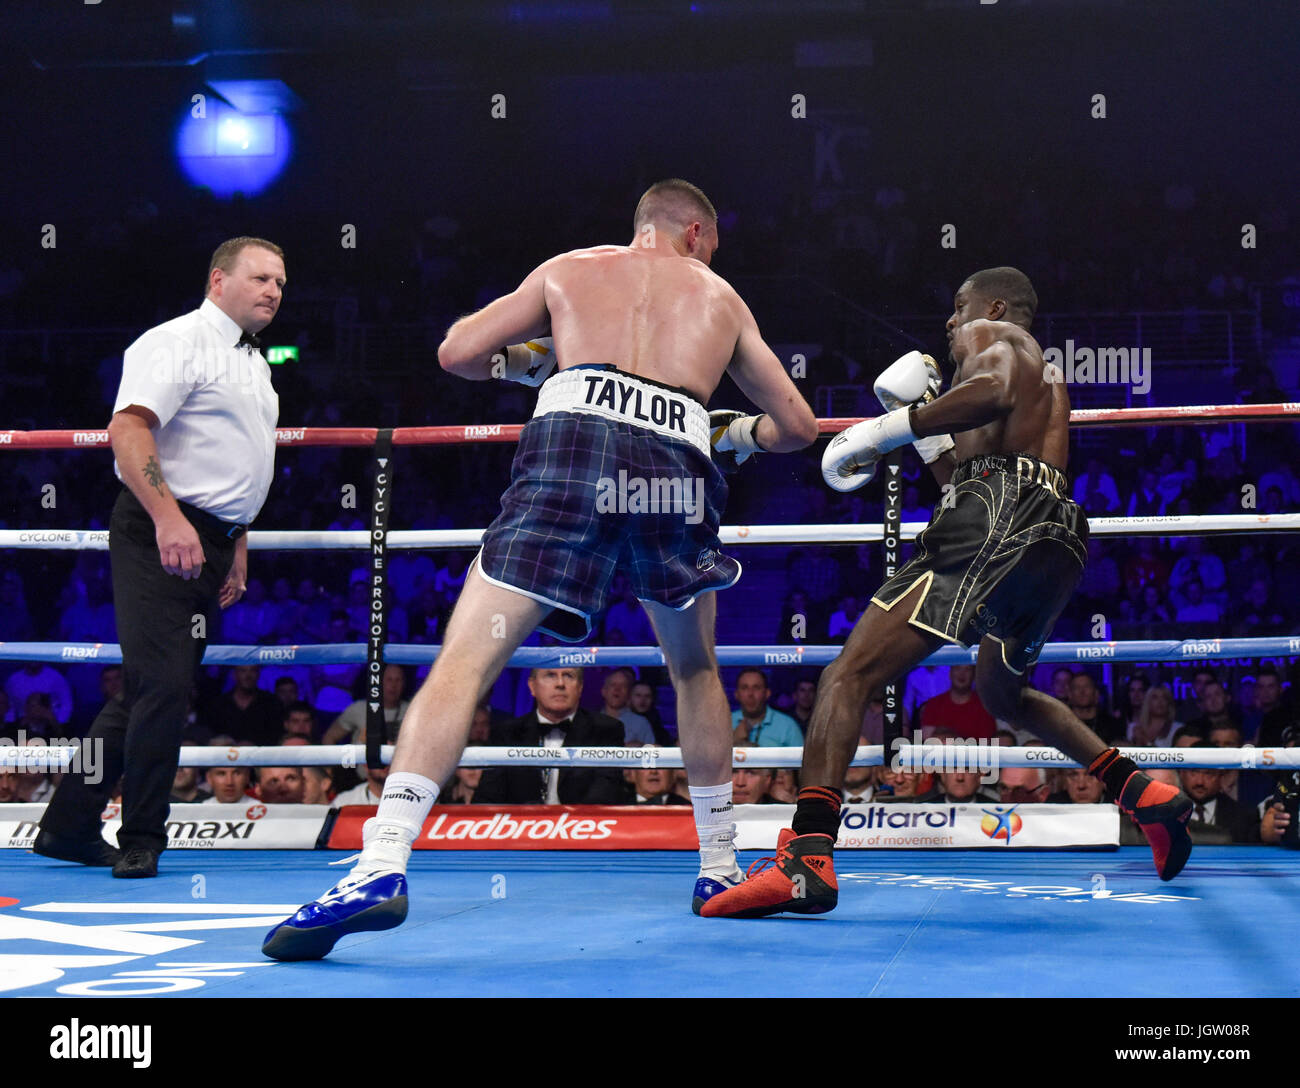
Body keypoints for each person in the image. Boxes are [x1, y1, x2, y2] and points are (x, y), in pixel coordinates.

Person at [265, 179, 817, 959]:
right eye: (717, 238)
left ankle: (382, 864)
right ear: (695, 230)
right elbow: (796, 426)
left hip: (572, 447)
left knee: (466, 658)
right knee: (693, 668)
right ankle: (719, 866)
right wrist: (738, 435)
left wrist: (533, 366)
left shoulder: (569, 268)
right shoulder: (722, 300)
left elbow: (457, 351)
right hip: (678, 467)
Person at [702, 267, 1193, 920]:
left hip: (994, 518)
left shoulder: (1000, 337)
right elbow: (967, 472)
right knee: (1002, 692)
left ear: (993, 306)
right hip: (1053, 533)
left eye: (958, 308)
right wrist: (927, 433)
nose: (951, 323)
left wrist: (890, 428)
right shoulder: (1041, 382)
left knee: (847, 676)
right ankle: (1142, 793)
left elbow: (990, 393)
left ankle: (806, 859)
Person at [36, 236, 284, 879]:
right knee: (166, 689)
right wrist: (169, 517)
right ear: (217, 281)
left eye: (280, 283)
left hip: (212, 539)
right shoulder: (175, 342)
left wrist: (236, 543)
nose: (272, 291)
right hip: (161, 533)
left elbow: (236, 460)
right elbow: (128, 428)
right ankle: (143, 836)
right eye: (259, 278)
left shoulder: (252, 361)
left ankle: (66, 826)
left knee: (150, 689)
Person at [471, 667, 629, 805]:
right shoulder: (507, 732)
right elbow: (487, 796)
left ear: (580, 687)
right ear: (532, 686)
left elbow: (606, 792)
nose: (560, 684)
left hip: (582, 829)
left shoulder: (606, 729)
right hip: (522, 829)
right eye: (550, 675)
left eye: (568, 675)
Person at [731, 668, 804, 747]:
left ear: (767, 693)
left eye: (756, 688)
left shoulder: (788, 726)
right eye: (744, 688)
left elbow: (803, 759)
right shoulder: (725, 722)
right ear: (736, 694)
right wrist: (734, 741)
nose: (750, 694)